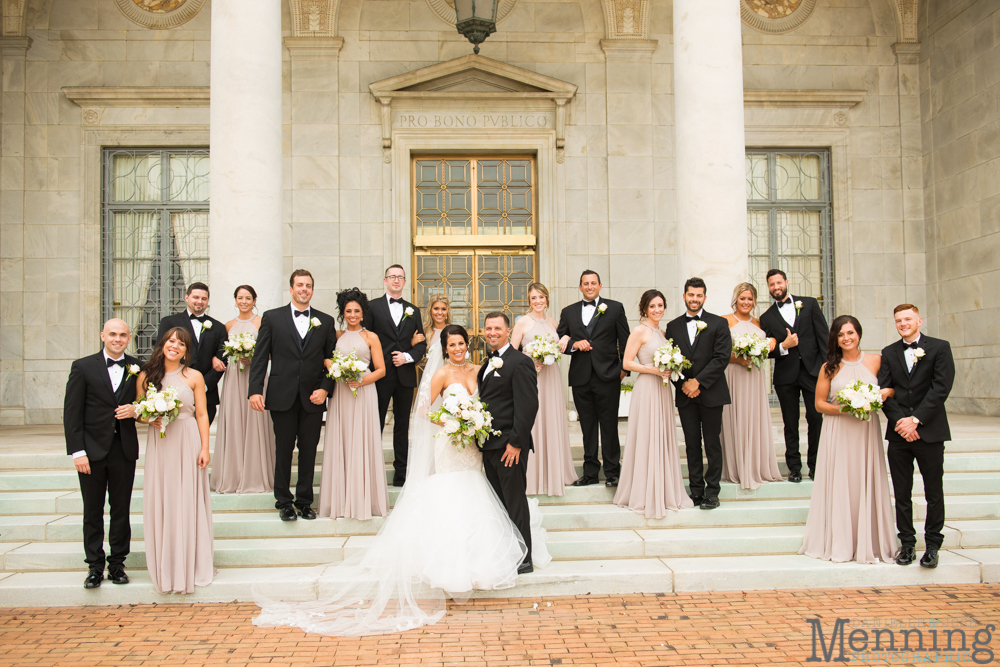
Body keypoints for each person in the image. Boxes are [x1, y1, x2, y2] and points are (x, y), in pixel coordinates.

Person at [252, 324, 550, 637]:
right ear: (444, 348)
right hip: (451, 442)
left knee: (482, 494)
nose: (458, 348)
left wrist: (474, 421)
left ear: (467, 345)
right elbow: (423, 410)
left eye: (462, 343)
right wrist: (452, 422)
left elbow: (496, 402)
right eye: (452, 345)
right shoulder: (440, 374)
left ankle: (495, 554)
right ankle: (452, 560)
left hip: (477, 445)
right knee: (455, 496)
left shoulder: (484, 368)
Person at [799, 316, 896, 564]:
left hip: (866, 432)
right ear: (835, 339)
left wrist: (884, 393)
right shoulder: (829, 367)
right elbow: (819, 404)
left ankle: (869, 541)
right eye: (841, 335)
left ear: (859, 334)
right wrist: (849, 408)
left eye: (850, 333)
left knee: (864, 479)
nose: (846, 338)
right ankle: (840, 541)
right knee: (842, 481)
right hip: (839, 431)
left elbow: (891, 388)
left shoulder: (876, 361)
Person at [248, 270, 337, 521]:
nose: (304, 289)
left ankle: (305, 502)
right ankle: (284, 502)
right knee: (284, 450)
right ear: (291, 289)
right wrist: (255, 390)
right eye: (299, 285)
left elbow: (332, 361)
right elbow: (259, 357)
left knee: (309, 450)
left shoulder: (326, 321)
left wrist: (325, 388)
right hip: (281, 395)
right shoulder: (272, 318)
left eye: (308, 285)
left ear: (312, 289)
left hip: (313, 398)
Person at [63, 318, 141, 589]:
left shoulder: (138, 368)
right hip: (91, 451)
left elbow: (148, 402)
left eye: (122, 335)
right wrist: (77, 452)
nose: (117, 339)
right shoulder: (83, 367)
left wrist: (136, 409)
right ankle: (94, 566)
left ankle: (117, 564)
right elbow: (72, 413)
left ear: (129, 338)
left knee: (121, 510)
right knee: (92, 511)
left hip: (124, 450)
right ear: (102, 336)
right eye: (112, 334)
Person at [136, 327, 214, 594]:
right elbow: (138, 411)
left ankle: (190, 563)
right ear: (163, 344)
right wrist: (149, 416)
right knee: (164, 498)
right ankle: (167, 565)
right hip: (161, 442)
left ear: (186, 351)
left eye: (181, 344)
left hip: (187, 439)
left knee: (187, 499)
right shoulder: (146, 376)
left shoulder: (194, 376)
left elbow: (202, 414)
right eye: (171, 341)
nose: (175, 346)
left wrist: (205, 448)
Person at [878, 304, 955, 569]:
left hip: (929, 431)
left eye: (908, 319)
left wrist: (916, 420)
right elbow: (885, 391)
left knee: (933, 491)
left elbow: (941, 388)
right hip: (899, 434)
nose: (903, 323)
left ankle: (932, 545)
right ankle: (907, 544)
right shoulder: (888, 353)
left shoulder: (940, 347)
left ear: (919, 320)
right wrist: (901, 422)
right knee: (902, 492)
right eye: (898, 320)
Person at [614, 290, 694, 517]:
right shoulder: (639, 331)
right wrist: (653, 369)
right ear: (644, 309)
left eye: (660, 306)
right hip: (647, 388)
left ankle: (664, 488)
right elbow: (627, 362)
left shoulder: (665, 332)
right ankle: (642, 491)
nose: (657, 310)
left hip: (663, 390)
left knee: (661, 436)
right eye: (652, 307)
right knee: (647, 436)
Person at [478, 312, 541, 572]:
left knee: (514, 500)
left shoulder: (520, 362)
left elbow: (528, 406)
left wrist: (516, 443)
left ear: (508, 331)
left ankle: (524, 557)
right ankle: (509, 550)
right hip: (489, 446)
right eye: (488, 328)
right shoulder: (486, 363)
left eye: (498, 328)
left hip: (509, 448)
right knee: (500, 504)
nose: (492, 332)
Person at [319, 288, 388, 520]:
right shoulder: (336, 336)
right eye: (348, 311)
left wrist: (361, 381)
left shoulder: (371, 337)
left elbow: (381, 369)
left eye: (356, 311)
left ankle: (363, 499)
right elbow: (325, 357)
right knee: (343, 440)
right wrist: (333, 367)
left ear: (363, 312)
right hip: (341, 393)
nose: (352, 315)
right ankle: (340, 499)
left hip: (363, 392)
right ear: (343, 312)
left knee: (362, 440)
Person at [556, 270, 629, 487]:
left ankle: (613, 472)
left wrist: (623, 369)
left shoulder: (615, 308)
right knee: (587, 427)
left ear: (600, 285)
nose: (589, 286)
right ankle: (590, 473)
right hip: (580, 377)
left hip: (608, 376)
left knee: (609, 426)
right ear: (580, 287)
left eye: (593, 283)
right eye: (585, 284)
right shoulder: (568, 312)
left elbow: (625, 339)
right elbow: (560, 340)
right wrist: (573, 345)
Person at [665, 277, 732, 510]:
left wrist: (698, 383)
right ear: (684, 296)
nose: (695, 299)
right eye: (691, 295)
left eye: (699, 295)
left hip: (712, 394)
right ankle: (695, 492)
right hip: (685, 395)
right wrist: (685, 385)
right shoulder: (672, 326)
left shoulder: (719, 323)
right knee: (692, 444)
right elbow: (670, 360)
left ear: (704, 297)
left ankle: (712, 492)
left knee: (712, 443)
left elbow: (721, 358)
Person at [758, 269, 829, 482]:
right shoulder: (766, 317)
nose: (776, 287)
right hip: (785, 376)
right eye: (772, 284)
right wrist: (783, 346)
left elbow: (823, 337)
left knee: (816, 418)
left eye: (779, 282)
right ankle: (794, 468)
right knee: (790, 422)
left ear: (786, 282)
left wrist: (827, 370)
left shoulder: (809, 304)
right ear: (769, 288)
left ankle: (816, 465)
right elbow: (766, 350)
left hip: (813, 371)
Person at [511, 282, 578, 495]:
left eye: (541, 297)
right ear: (529, 301)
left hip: (552, 378)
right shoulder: (522, 323)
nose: (538, 301)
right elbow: (511, 355)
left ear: (546, 299)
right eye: (533, 298)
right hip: (532, 378)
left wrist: (566, 337)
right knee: (534, 421)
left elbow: (562, 343)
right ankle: (533, 474)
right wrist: (530, 361)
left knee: (552, 420)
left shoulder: (553, 322)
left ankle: (554, 472)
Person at [365, 265, 427, 487]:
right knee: (376, 423)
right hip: (380, 375)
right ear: (385, 280)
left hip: (405, 376)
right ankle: (372, 472)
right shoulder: (371, 307)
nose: (396, 280)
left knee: (402, 426)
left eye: (400, 277)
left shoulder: (414, 310)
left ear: (404, 281)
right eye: (392, 277)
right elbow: (365, 339)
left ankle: (400, 474)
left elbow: (421, 344)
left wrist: (407, 357)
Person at [211, 285, 275, 494]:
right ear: (235, 300)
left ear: (255, 300)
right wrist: (216, 358)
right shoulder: (228, 325)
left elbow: (272, 352)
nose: (244, 301)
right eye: (240, 298)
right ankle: (234, 474)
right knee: (235, 421)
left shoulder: (261, 322)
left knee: (255, 420)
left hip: (255, 377)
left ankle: (256, 474)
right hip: (234, 378)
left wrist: (255, 357)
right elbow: (220, 352)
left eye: (248, 298)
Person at [720, 283, 783, 490]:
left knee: (754, 418)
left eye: (749, 299)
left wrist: (772, 340)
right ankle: (736, 468)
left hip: (755, 378)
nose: (746, 302)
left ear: (754, 301)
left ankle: (756, 466)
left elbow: (774, 342)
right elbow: (718, 353)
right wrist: (738, 360)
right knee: (735, 417)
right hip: (734, 375)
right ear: (735, 299)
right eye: (742, 298)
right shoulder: (725, 321)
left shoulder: (760, 323)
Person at [156, 282, 227, 425]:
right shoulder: (169, 322)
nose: (199, 301)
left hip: (207, 396)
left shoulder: (219, 327)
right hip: (174, 393)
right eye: (196, 297)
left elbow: (222, 361)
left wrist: (203, 386)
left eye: (204, 298)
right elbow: (160, 353)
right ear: (186, 297)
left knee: (201, 442)